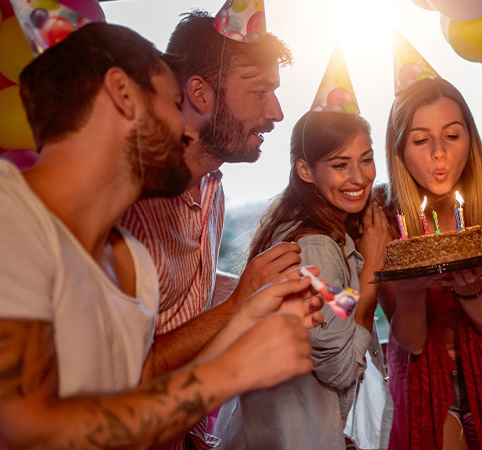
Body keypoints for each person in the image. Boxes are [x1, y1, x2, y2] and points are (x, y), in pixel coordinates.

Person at [0, 23, 320, 447]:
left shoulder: (130, 260)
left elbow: (142, 386)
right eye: (173, 102)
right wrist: (230, 370)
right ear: (124, 94)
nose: (188, 129)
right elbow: (27, 431)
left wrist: (249, 317)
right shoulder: (10, 220)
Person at [119, 11, 297, 447]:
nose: (275, 112)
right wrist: (240, 302)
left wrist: (267, 289)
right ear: (199, 92)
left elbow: (178, 291)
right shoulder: (130, 201)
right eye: (259, 93)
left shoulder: (213, 187)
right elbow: (125, 367)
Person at [380, 77, 482, 449]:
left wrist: (469, 286)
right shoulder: (384, 214)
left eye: (453, 136)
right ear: (400, 148)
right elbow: (411, 341)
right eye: (421, 140)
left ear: (470, 138)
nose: (438, 153)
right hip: (422, 381)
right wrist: (409, 293)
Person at [214, 110, 392, 449]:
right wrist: (372, 273)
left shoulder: (318, 233)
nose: (359, 177)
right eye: (341, 165)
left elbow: (338, 313)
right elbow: (339, 369)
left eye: (366, 160)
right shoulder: (316, 247)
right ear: (305, 170)